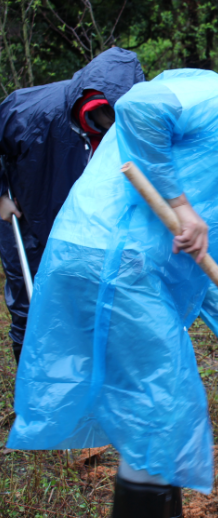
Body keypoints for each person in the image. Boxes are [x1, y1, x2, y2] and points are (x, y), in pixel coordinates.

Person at [7, 70, 218, 518]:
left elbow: (200, 264)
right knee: (161, 408)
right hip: (116, 258)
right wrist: (181, 206)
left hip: (123, 264)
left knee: (155, 411)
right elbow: (140, 107)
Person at [0, 47, 145, 365]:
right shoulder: (29, 109)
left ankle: (74, 378)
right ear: (98, 100)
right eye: (114, 115)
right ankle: (32, 388)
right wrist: (1, 196)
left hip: (80, 230)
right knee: (30, 303)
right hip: (26, 218)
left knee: (79, 302)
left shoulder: (126, 129)